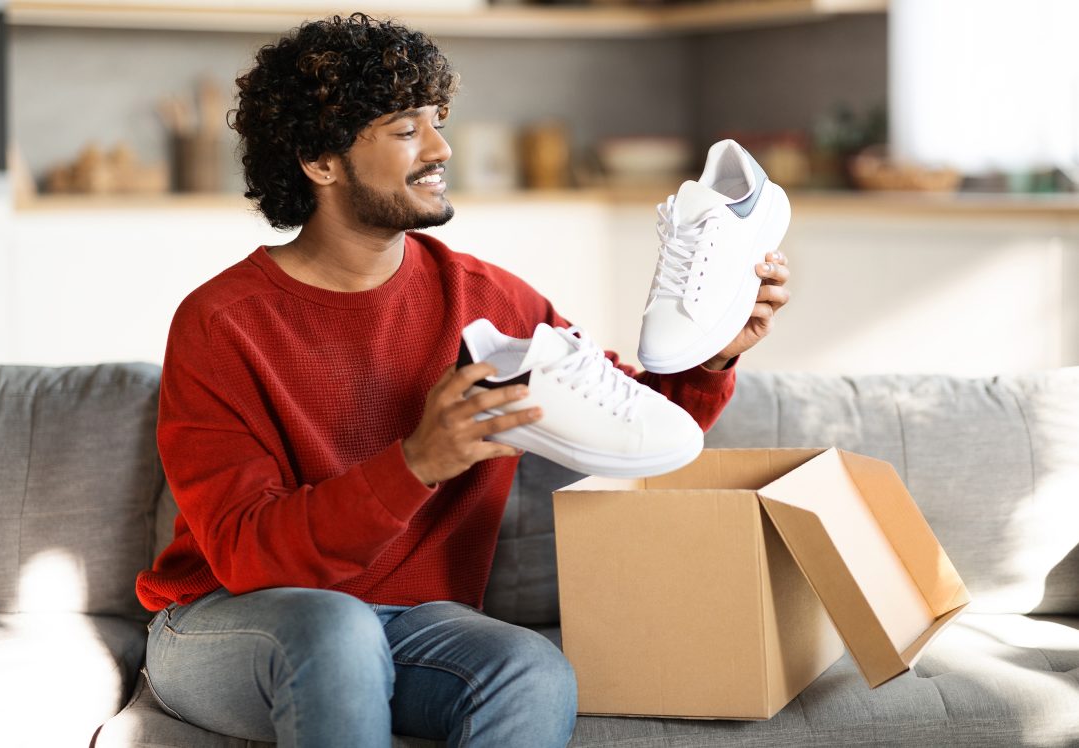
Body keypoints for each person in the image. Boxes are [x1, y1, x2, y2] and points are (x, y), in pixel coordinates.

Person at [135, 13, 791, 748]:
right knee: (335, 624)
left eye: (437, 120)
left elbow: (638, 429)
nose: (442, 147)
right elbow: (248, 553)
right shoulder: (222, 322)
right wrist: (416, 463)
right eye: (406, 128)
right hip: (229, 624)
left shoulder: (491, 300)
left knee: (531, 669)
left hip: (415, 629)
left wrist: (714, 356)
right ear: (321, 161)